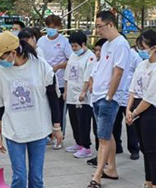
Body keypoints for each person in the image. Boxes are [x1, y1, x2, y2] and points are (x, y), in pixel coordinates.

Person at [0, 32, 63, 188]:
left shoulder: (40, 66)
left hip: (38, 129)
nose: (0, 61)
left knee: (36, 176)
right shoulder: (1, 72)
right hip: (14, 130)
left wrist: (57, 127)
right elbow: (1, 103)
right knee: (19, 176)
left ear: (13, 52)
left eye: (2, 57)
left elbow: (53, 97)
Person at [86, 10, 130, 188]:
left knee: (102, 137)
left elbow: (118, 72)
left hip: (107, 97)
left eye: (99, 26)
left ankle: (97, 176)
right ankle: (111, 168)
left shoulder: (121, 45)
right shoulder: (106, 46)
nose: (97, 30)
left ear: (110, 24)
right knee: (106, 134)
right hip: (98, 95)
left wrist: (110, 96)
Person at [126, 30, 156, 188]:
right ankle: (148, 183)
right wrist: (128, 109)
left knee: (152, 150)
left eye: (142, 47)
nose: (140, 50)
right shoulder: (142, 64)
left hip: (150, 110)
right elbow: (133, 88)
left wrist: (134, 112)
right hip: (136, 108)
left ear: (154, 48)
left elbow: (151, 96)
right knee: (144, 147)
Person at [37, 14, 72, 148]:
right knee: (46, 110)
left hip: (60, 81)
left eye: (54, 27)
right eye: (49, 27)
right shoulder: (41, 41)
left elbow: (70, 60)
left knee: (59, 110)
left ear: (59, 27)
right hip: (45, 81)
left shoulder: (64, 42)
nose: (51, 29)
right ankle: (48, 136)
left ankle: (59, 137)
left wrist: (58, 66)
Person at [63, 31, 96, 159]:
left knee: (83, 122)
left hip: (82, 96)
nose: (74, 48)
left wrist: (83, 92)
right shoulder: (72, 56)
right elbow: (67, 75)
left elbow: (88, 77)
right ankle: (78, 143)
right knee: (74, 120)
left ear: (83, 44)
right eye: (72, 46)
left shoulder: (90, 57)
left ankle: (86, 147)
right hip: (71, 94)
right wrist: (66, 91)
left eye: (76, 46)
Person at [112, 38, 142, 160]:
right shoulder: (114, 55)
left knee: (131, 124)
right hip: (116, 95)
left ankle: (134, 149)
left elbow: (140, 73)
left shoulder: (134, 56)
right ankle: (117, 146)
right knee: (115, 123)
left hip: (129, 96)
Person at [86, 38, 108, 167]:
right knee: (97, 131)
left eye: (100, 50)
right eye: (96, 50)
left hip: (105, 101)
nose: (98, 53)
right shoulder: (96, 63)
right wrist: (92, 85)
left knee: (105, 134)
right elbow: (91, 77)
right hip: (94, 100)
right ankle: (99, 156)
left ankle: (105, 160)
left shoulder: (109, 65)